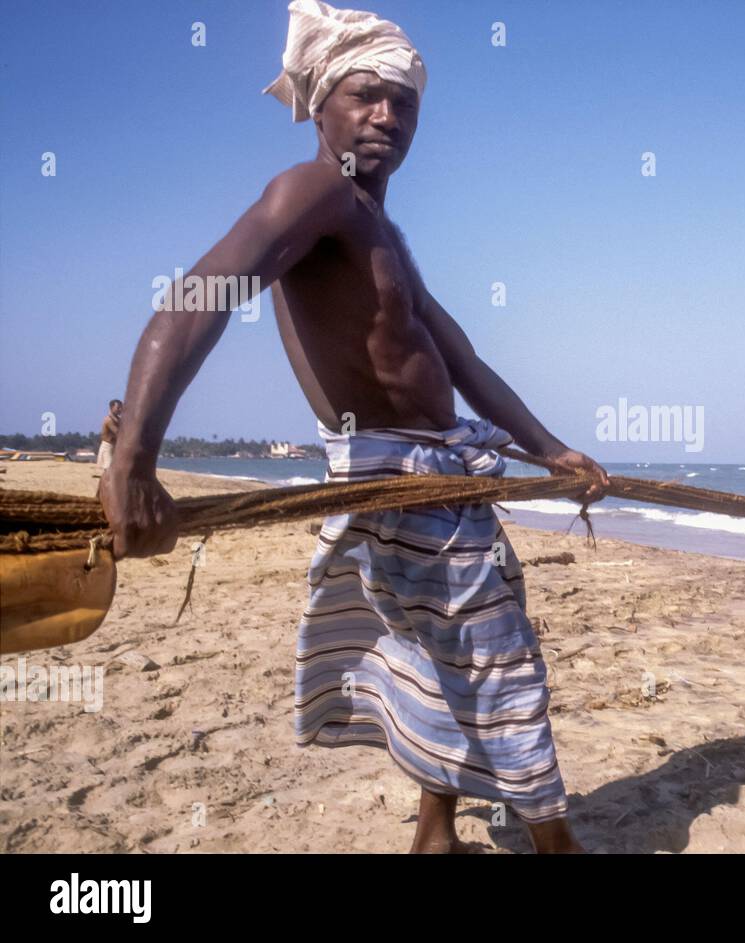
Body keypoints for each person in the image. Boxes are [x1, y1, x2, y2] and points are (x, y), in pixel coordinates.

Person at [99, 0, 607, 854]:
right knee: (500, 671)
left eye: (403, 102)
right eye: (365, 96)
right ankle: (556, 844)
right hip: (402, 482)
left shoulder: (383, 231)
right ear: (322, 103)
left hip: (440, 482)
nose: (386, 117)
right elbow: (198, 297)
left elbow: (465, 360)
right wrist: (137, 460)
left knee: (432, 661)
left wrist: (552, 450)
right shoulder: (313, 194)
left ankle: (434, 834)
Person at [97, 399, 122, 470]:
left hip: (115, 447)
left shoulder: (118, 419)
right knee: (108, 469)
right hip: (107, 447)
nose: (120, 410)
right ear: (111, 408)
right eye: (118, 408)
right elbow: (118, 433)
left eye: (121, 408)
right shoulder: (109, 420)